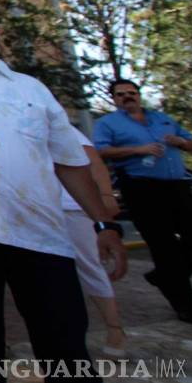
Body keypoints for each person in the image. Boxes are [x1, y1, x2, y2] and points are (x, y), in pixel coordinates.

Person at [0, 3, 127, 383]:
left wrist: (103, 225)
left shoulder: (32, 90)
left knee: (66, 350)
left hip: (42, 240)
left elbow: (70, 160)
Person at [94, 78, 192, 325]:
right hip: (141, 188)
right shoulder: (107, 124)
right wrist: (138, 150)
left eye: (131, 92)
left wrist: (182, 143)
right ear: (114, 99)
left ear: (138, 95)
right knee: (163, 246)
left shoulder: (161, 118)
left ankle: (164, 277)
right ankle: (186, 307)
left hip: (177, 186)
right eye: (121, 94)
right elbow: (100, 152)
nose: (127, 96)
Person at [64, 124, 128, 356]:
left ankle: (115, 329)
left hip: (71, 206)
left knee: (90, 266)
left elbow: (94, 162)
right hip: (31, 209)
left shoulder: (53, 120)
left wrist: (105, 197)